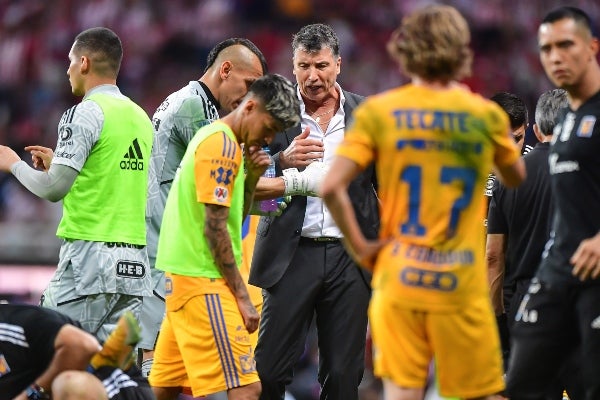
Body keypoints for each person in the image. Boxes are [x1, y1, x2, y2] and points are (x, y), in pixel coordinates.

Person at [320, 5, 526, 400]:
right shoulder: (483, 115)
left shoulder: (380, 112)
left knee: (401, 393)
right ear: (460, 51)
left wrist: (363, 248)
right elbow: (515, 176)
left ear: (406, 50)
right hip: (460, 282)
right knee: (483, 395)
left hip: (400, 277)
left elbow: (331, 186)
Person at [148, 73, 301, 400]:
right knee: (247, 389)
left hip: (183, 280)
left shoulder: (219, 140)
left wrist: (252, 178)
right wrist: (242, 297)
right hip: (205, 281)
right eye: (269, 128)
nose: (269, 140)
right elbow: (214, 228)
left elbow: (235, 217)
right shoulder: (222, 146)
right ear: (250, 107)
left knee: (162, 389)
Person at [248, 23, 379, 400]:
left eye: (321, 65)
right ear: (293, 67)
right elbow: (244, 181)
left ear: (338, 64)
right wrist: (281, 160)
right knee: (269, 371)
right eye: (304, 66)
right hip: (290, 256)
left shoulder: (366, 115)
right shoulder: (272, 113)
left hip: (348, 257)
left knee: (343, 375)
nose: (312, 76)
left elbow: (384, 187)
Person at [0, 27, 153, 342]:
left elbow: (53, 189)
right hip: (135, 265)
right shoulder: (141, 117)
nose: (67, 69)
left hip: (89, 261)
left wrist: (12, 163)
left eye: (70, 61)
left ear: (84, 63)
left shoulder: (84, 113)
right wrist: (63, 161)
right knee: (112, 377)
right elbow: (119, 177)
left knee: (51, 356)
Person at [140, 37, 268, 378]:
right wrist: (299, 182)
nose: (249, 97)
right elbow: (225, 184)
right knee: (156, 357)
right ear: (225, 69)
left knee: (161, 364)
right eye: (249, 84)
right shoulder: (194, 108)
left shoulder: (194, 102)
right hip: (165, 248)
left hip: (163, 240)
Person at [506, 6, 600, 398]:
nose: (555, 57)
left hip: (595, 280)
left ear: (592, 46)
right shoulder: (564, 124)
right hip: (556, 275)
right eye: (546, 49)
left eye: (566, 45)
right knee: (519, 383)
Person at [486, 88, 568, 371]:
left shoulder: (529, 167)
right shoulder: (464, 172)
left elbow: (494, 255)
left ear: (530, 131)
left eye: (518, 138)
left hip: (514, 295)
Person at [0, 303, 152, 400]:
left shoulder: (11, 322)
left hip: (118, 390)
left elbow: (84, 346)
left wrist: (33, 393)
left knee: (69, 384)